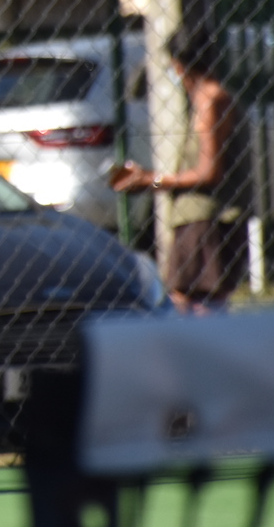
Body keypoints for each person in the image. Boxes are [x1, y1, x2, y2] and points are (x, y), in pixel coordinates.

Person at [107, 25, 252, 312]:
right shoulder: (203, 101)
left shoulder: (212, 101)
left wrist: (152, 181)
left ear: (179, 64)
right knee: (186, 302)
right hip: (194, 218)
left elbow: (209, 171)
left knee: (198, 306)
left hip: (207, 219)